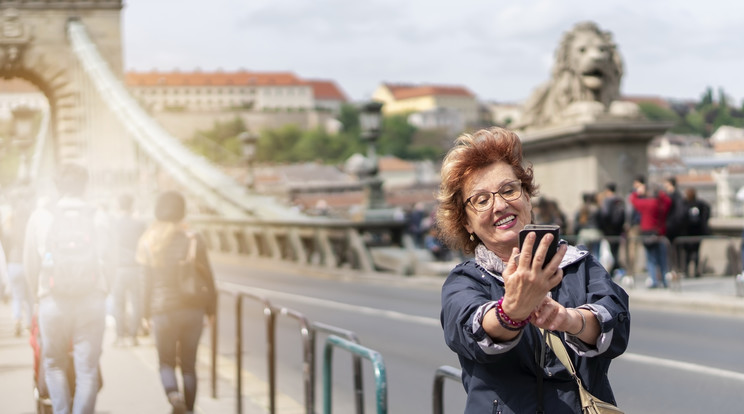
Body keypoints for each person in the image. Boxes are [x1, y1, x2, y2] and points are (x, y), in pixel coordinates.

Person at [437, 127, 630, 413]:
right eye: (481, 200)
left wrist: (568, 319)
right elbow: (470, 331)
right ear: (466, 223)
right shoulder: (465, 281)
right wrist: (511, 311)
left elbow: (617, 324)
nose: (500, 205)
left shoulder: (580, 265)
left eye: (509, 190)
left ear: (527, 197)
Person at [23, 164, 107, 414]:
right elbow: (110, 260)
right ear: (85, 185)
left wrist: (37, 297)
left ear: (57, 186)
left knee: (54, 365)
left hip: (52, 299)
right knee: (87, 371)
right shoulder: (98, 215)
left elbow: (31, 264)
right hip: (92, 299)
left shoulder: (41, 216)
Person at [136, 191, 217, 414]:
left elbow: (145, 284)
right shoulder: (193, 239)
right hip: (193, 309)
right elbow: (208, 278)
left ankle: (174, 398)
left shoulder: (148, 241)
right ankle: (189, 409)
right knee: (189, 365)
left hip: (162, 310)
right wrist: (211, 310)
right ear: (181, 212)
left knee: (166, 362)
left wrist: (144, 315)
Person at [108, 193, 147, 346]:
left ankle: (119, 337)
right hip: (135, 267)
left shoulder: (114, 224)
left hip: (118, 268)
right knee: (136, 302)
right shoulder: (139, 224)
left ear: (118, 205)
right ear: (132, 206)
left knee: (119, 303)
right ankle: (133, 336)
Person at [629, 176, 671, 288]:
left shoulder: (646, 204)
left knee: (651, 258)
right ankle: (665, 280)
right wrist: (660, 192)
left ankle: (654, 280)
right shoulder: (659, 204)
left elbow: (633, 200)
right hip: (659, 232)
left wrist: (636, 191)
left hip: (647, 232)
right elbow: (668, 201)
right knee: (662, 258)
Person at [598, 182, 626, 276]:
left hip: (608, 230)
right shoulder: (620, 200)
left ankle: (613, 269)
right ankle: (616, 269)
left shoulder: (607, 200)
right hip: (618, 229)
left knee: (609, 251)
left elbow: (605, 214)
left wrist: (603, 227)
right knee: (616, 250)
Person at [663, 177, 688, 278]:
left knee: (673, 249)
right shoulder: (678, 196)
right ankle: (676, 270)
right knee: (675, 250)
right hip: (675, 226)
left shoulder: (673, 196)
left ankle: (675, 270)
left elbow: (679, 213)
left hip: (673, 227)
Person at [682, 188, 710, 278]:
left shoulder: (685, 204)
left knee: (687, 252)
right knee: (696, 252)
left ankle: (686, 270)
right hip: (697, 231)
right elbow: (707, 210)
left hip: (687, 232)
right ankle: (696, 270)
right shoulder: (699, 204)